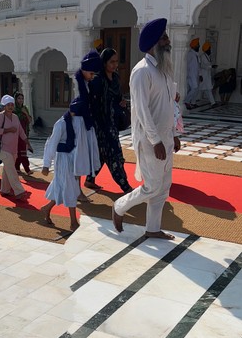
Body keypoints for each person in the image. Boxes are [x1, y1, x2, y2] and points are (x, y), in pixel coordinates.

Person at [112, 19, 183, 241]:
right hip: (151, 140)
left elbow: (169, 105)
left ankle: (153, 228)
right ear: (154, 43)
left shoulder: (164, 70)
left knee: (163, 187)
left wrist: (173, 135)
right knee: (152, 186)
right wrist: (156, 140)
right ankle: (119, 206)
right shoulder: (141, 72)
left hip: (165, 137)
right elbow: (141, 111)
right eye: (164, 37)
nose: (168, 40)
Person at [42, 96, 102, 226]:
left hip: (74, 159)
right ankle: (73, 221)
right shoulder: (62, 123)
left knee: (61, 186)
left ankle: (47, 208)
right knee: (71, 188)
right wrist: (46, 164)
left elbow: (86, 142)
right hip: (63, 159)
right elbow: (52, 143)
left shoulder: (81, 122)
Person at [88, 48, 135, 193]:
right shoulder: (97, 80)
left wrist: (122, 103)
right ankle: (125, 185)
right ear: (104, 62)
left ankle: (90, 179)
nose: (115, 65)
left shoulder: (115, 78)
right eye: (111, 62)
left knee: (103, 153)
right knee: (114, 154)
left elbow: (117, 97)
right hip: (101, 125)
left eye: (116, 61)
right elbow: (93, 104)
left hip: (113, 122)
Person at [0, 95, 27, 198]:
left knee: (7, 169)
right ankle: (19, 191)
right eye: (8, 105)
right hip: (3, 148)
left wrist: (27, 142)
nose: (10, 106)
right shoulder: (0, 116)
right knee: (12, 170)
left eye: (12, 104)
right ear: (4, 106)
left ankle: (4, 189)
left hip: (14, 148)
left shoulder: (15, 117)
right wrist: (8, 130)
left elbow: (21, 130)